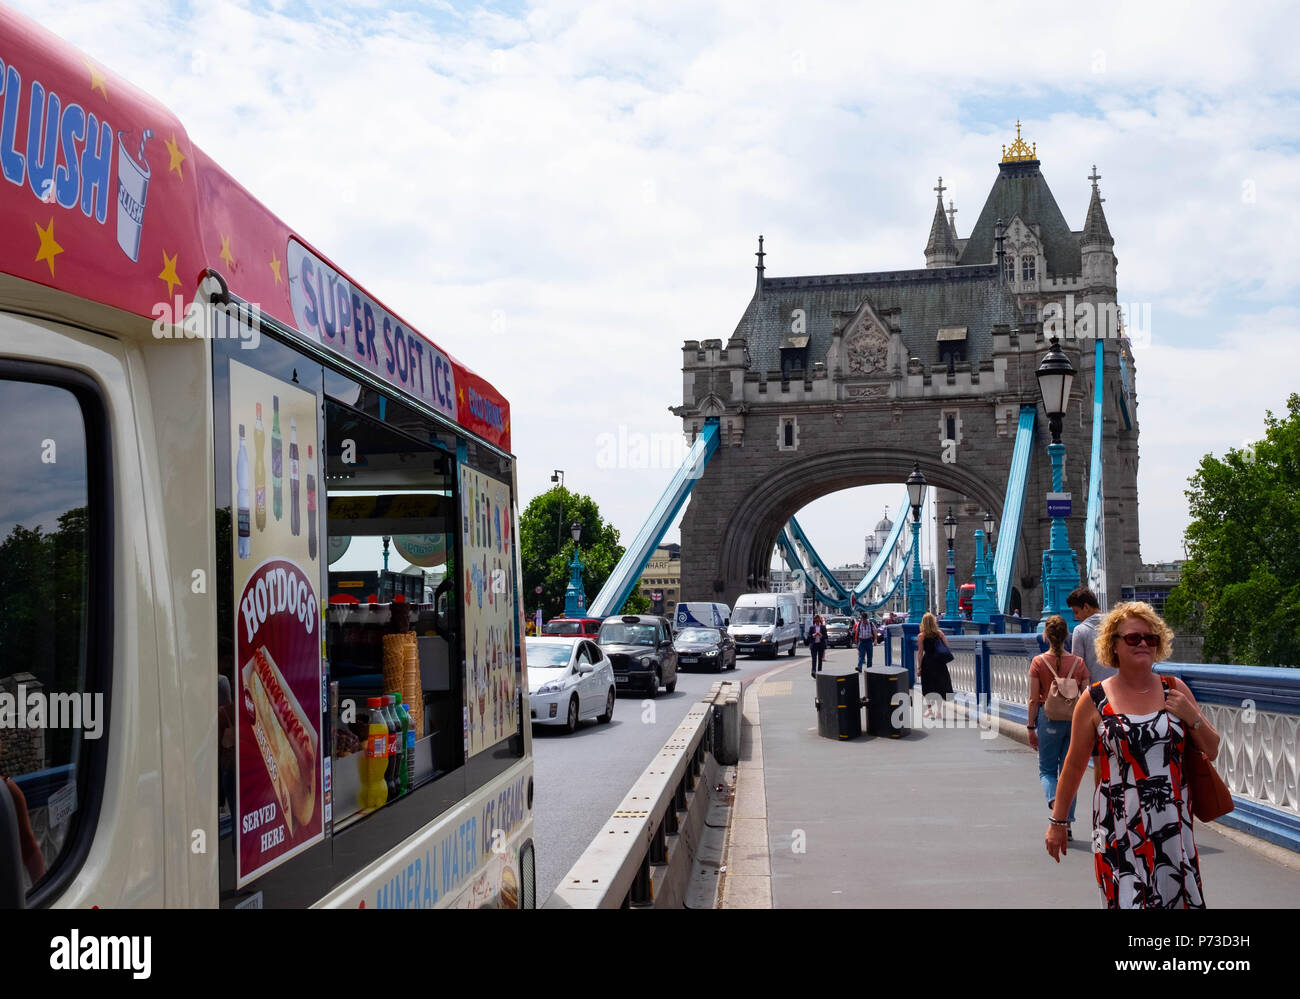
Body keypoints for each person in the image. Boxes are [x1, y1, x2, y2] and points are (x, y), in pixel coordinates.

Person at [1045, 602, 1219, 909]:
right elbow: (1072, 765)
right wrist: (1058, 822)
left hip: (1172, 822)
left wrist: (1191, 715)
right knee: (1127, 901)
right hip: (1117, 824)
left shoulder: (1174, 690)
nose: (1142, 644)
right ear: (1113, 644)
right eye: (1133, 638)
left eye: (1150, 639)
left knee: (1175, 899)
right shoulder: (1094, 699)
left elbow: (1212, 748)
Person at [1026, 615, 1090, 837]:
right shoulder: (1079, 664)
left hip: (1048, 718)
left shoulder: (1038, 662)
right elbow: (1087, 697)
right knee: (1069, 772)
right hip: (1074, 721)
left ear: (1046, 635)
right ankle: (1067, 824)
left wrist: (1030, 727)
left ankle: (1054, 802)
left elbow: (1034, 699)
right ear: (1066, 636)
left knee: (1046, 770)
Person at [1065, 586, 1109, 683]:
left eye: (1076, 612)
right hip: (1118, 690)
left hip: (1095, 691)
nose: (1076, 617)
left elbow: (1077, 667)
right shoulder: (1116, 625)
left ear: (1086, 607)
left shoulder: (1080, 631)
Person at [915, 612, 953, 719]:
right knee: (939, 686)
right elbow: (947, 646)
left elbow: (920, 653)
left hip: (928, 663)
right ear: (933, 622)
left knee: (927, 686)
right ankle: (939, 712)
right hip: (939, 663)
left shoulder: (921, 636)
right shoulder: (939, 633)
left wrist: (919, 667)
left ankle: (930, 710)